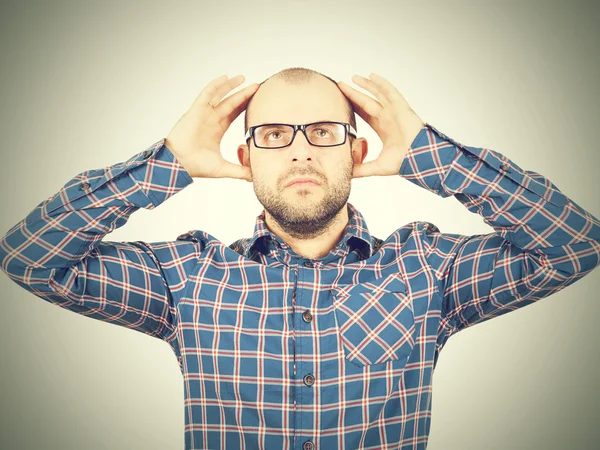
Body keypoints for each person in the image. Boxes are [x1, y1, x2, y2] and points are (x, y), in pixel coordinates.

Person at [1, 67, 598, 450]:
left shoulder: (427, 270)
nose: (301, 151)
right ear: (246, 156)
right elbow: (30, 258)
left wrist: (432, 156)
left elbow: (574, 246)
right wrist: (167, 163)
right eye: (274, 135)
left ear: (357, 148)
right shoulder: (186, 279)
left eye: (323, 131)